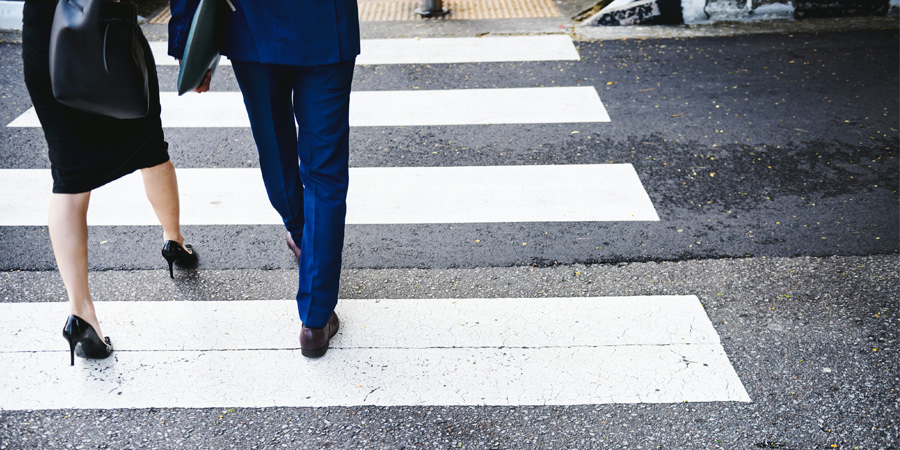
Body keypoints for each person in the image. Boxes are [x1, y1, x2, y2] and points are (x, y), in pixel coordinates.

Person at [168, 0, 360, 357]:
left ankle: (304, 237)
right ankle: (315, 322)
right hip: (325, 25)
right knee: (325, 172)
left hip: (251, 25)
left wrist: (184, 39)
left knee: (275, 152)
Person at [22, 0, 198, 366]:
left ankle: (80, 312)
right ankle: (174, 242)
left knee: (69, 181)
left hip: (48, 40)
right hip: (107, 36)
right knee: (150, 148)